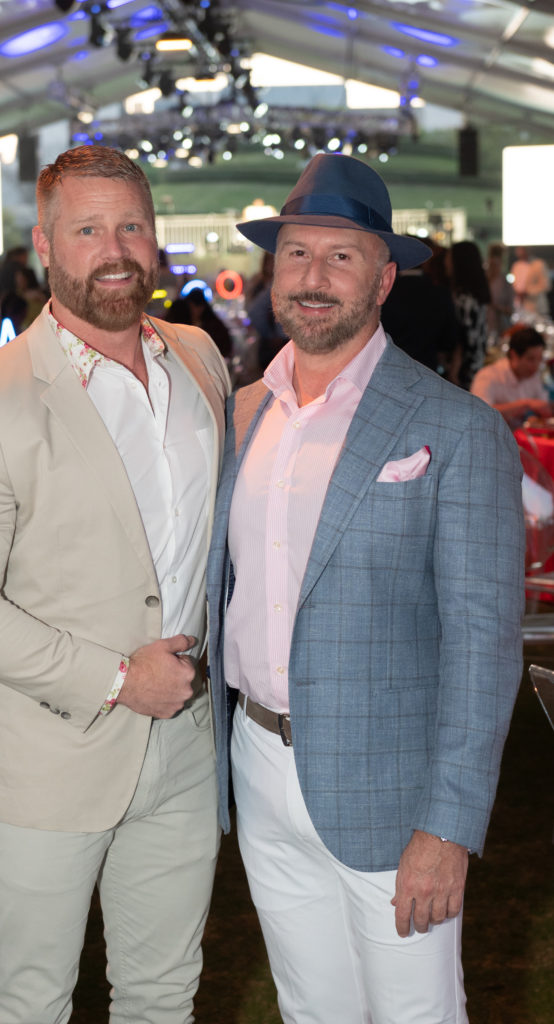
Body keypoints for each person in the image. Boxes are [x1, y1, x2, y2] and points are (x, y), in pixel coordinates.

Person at [0, 145, 230, 1024]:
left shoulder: (200, 361)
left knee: (164, 995)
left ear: (156, 238)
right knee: (30, 1001)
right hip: (46, 756)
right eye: (88, 229)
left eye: (131, 224)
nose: (115, 247)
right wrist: (120, 679)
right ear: (47, 245)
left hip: (186, 749)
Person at [206, 153, 524, 1024]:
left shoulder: (456, 427)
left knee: (417, 1013)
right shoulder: (241, 414)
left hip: (394, 792)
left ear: (385, 278)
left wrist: (450, 826)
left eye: (341, 256)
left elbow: (483, 642)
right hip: (258, 768)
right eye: (297, 253)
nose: (314, 277)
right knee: (312, 1010)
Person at [471, 325, 550, 428]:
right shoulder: (488, 376)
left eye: (539, 359)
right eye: (530, 359)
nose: (536, 366)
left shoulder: (533, 376)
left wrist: (535, 416)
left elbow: (543, 407)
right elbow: (479, 413)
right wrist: (525, 404)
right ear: (513, 355)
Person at [448, 240, 491, 389]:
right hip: (477, 362)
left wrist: (454, 369)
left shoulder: (463, 298)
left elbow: (463, 338)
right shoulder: (476, 295)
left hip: (465, 369)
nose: (446, 262)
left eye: (449, 257)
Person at [511, 245, 550, 316]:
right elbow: (515, 285)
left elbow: (546, 285)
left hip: (537, 308)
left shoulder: (539, 264)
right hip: (520, 307)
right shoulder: (516, 266)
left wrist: (527, 292)